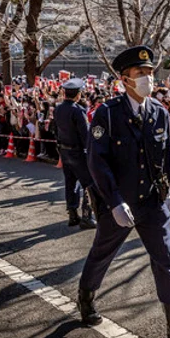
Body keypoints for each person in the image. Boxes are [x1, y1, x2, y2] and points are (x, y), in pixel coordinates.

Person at [79, 45, 170, 338]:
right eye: (141, 73)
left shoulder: (158, 112)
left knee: (166, 258)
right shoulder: (107, 115)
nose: (148, 78)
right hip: (119, 203)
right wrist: (114, 201)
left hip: (152, 200)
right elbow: (97, 162)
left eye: (150, 72)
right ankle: (86, 296)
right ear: (125, 79)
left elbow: (165, 156)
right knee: (102, 252)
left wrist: (167, 191)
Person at [54, 78, 97, 230]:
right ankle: (87, 216)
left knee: (70, 183)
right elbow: (85, 135)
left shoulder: (57, 108)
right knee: (89, 183)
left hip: (64, 150)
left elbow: (55, 130)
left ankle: (72, 214)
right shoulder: (78, 111)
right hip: (78, 152)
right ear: (78, 95)